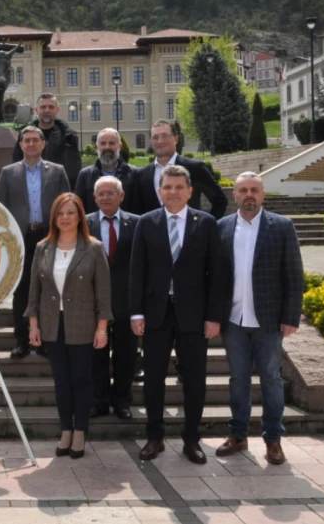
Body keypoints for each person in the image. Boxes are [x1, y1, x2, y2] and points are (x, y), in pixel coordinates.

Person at [129, 165, 227, 464]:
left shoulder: (207, 223)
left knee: (195, 380)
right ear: (160, 191)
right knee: (154, 379)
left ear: (189, 191)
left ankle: (191, 440)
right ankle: (154, 438)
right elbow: (137, 271)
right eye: (167, 187)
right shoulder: (146, 223)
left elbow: (218, 274)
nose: (173, 192)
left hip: (194, 316)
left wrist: (214, 316)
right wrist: (135, 312)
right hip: (156, 314)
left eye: (178, 187)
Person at [215, 172, 303, 465]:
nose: (249, 195)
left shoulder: (281, 226)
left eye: (254, 190)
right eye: (243, 190)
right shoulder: (222, 228)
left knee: (271, 379)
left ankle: (273, 439)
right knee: (238, 378)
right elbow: (214, 277)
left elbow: (293, 276)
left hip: (268, 320)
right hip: (233, 320)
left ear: (263, 194)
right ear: (234, 195)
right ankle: (238, 435)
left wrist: (291, 316)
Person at [26, 193, 111, 459]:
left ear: (80, 216)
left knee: (82, 380)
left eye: (71, 212)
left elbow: (104, 294)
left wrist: (102, 328)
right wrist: (33, 325)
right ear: (53, 217)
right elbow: (34, 292)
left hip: (83, 324)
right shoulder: (43, 247)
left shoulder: (94, 248)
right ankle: (65, 429)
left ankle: (80, 431)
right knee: (62, 381)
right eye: (60, 213)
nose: (65, 218)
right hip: (53, 325)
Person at [0, 126, 71, 359]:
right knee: (22, 291)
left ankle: (46, 342)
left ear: (42, 144)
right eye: (26, 140)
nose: (30, 144)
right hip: (20, 237)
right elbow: (0, 209)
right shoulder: (8, 173)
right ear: (20, 145)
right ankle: (22, 341)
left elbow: (67, 206)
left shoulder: (57, 171)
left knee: (49, 288)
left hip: (48, 236)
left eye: (34, 140)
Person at [86, 176, 140, 419]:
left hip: (126, 301)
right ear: (95, 197)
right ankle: (98, 400)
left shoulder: (137, 223)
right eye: (102, 193)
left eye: (111, 193)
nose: (106, 197)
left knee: (126, 354)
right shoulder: (83, 224)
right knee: (96, 354)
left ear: (122, 196)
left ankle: (122, 401)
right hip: (92, 302)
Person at [136, 120, 228, 217]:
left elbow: (220, 200)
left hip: (190, 232)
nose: (160, 141)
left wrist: (207, 227)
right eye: (155, 137)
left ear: (176, 139)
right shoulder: (141, 175)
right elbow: (136, 211)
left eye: (165, 136)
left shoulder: (195, 168)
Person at [10, 93, 82, 187]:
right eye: (43, 107)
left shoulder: (68, 137)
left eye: (51, 107)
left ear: (57, 110)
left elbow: (75, 168)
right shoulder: (25, 136)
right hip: (31, 188)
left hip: (60, 191)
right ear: (36, 110)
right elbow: (16, 163)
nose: (47, 110)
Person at [74, 128, 139, 217]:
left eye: (111, 143)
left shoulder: (134, 174)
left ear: (119, 146)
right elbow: (78, 208)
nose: (107, 147)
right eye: (103, 143)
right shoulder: (85, 175)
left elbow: (139, 208)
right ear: (97, 146)